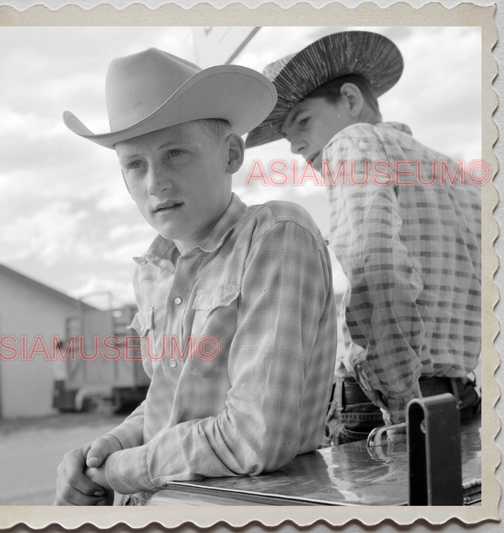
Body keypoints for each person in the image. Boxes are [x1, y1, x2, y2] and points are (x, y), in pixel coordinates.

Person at [54, 47, 337, 505]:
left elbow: (256, 435)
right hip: (166, 503)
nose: (155, 184)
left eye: (176, 153)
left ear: (230, 154)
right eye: (135, 165)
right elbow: (170, 402)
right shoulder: (153, 272)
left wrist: (121, 470)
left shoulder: (276, 236)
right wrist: (113, 445)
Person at [246, 31, 482, 444]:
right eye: (287, 136)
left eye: (303, 121)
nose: (296, 147)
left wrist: (400, 405)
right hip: (461, 393)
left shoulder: (351, 142)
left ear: (351, 100)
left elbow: (374, 269)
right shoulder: (457, 175)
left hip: (396, 404)